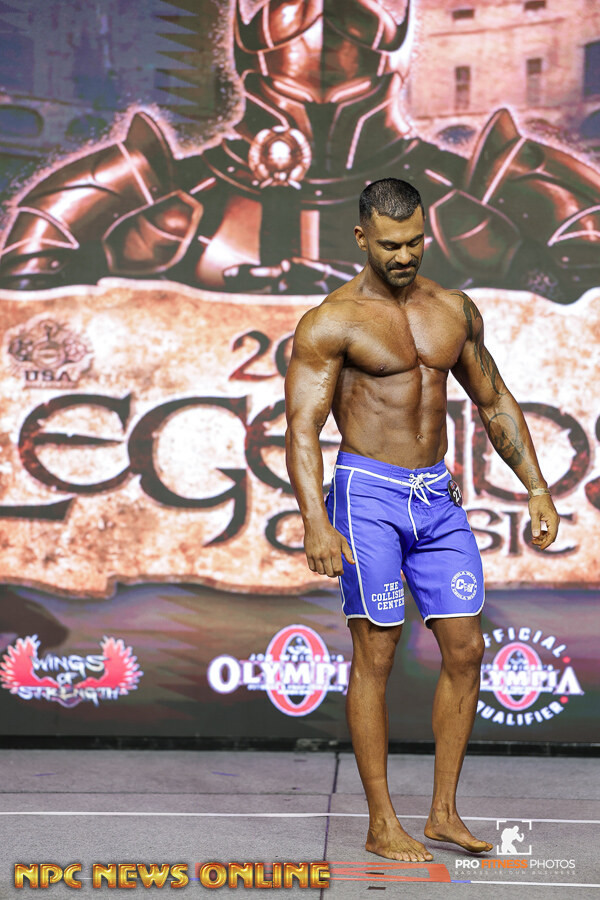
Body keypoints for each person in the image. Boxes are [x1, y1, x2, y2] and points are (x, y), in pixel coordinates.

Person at [284, 178, 559, 863]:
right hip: (367, 495)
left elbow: (494, 401)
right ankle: (382, 821)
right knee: (376, 652)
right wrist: (315, 520)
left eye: (413, 242)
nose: (403, 256)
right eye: (389, 245)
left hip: (436, 497)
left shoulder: (452, 310)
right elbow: (302, 428)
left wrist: (536, 487)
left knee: (467, 649)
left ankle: (442, 814)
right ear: (361, 238)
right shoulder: (331, 322)